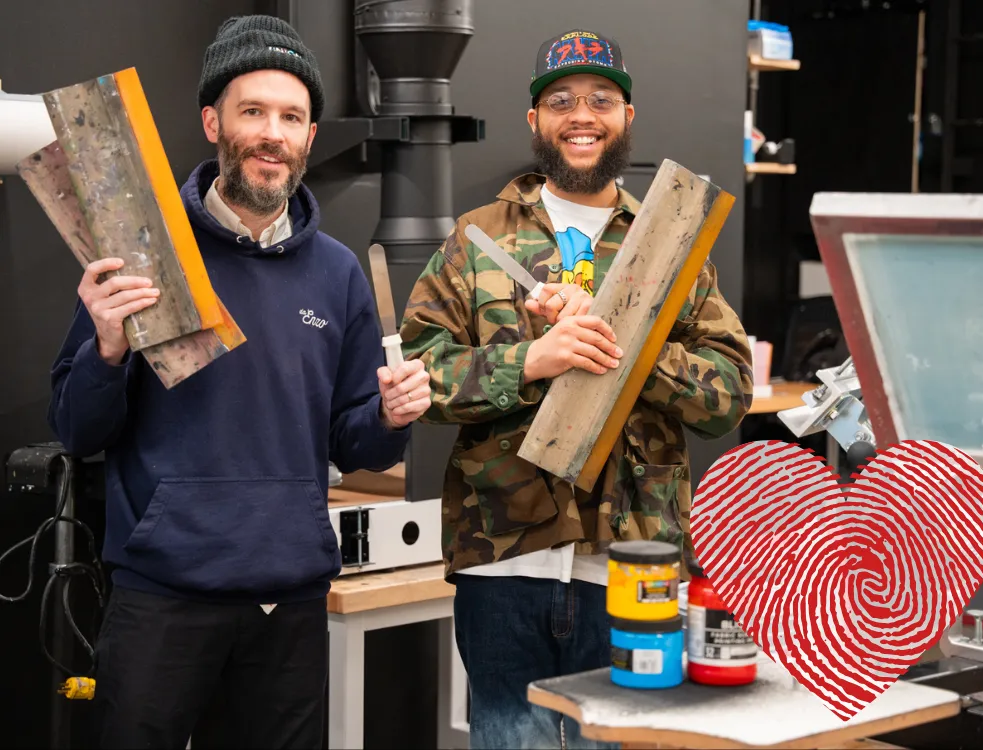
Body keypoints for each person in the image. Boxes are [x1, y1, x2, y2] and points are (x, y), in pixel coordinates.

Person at [47, 15, 430, 749]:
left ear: (310, 137)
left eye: (291, 117)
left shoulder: (339, 272)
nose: (271, 133)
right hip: (161, 598)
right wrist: (105, 347)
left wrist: (389, 417)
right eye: (252, 111)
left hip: (287, 602)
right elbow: (77, 430)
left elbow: (359, 450)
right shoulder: (140, 253)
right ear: (212, 121)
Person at [400, 28, 754, 749]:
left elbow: (730, 393)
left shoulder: (672, 244)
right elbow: (418, 378)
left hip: (635, 565)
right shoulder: (476, 240)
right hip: (504, 561)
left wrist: (626, 354)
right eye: (560, 100)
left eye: (600, 98)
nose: (581, 115)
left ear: (629, 116)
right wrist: (531, 361)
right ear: (535, 122)